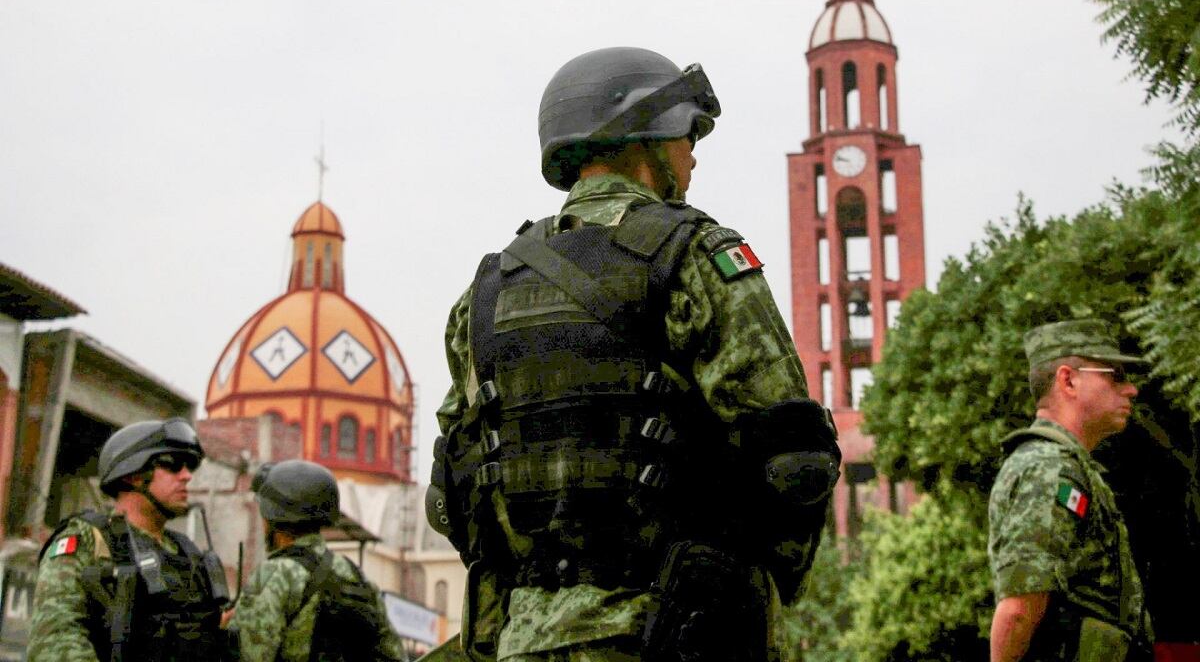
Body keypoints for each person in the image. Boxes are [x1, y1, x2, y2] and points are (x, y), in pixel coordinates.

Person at [427, 47, 841, 662]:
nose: (693, 154)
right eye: (685, 134)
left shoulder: (484, 292)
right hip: (668, 636)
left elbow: (449, 495)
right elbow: (794, 456)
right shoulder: (698, 255)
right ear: (642, 139)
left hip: (523, 639)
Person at [988, 319, 1155, 662]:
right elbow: (1019, 609)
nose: (1131, 390)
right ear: (1068, 380)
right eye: (1116, 375)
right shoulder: (1048, 467)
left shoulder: (1068, 466)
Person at [27, 416, 231, 662]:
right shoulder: (88, 539)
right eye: (174, 464)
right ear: (132, 475)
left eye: (190, 465)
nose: (187, 475)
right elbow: (54, 640)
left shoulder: (187, 553)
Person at [233, 459, 406, 662]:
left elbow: (250, 655)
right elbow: (394, 656)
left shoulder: (275, 574)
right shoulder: (356, 577)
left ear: (270, 517)